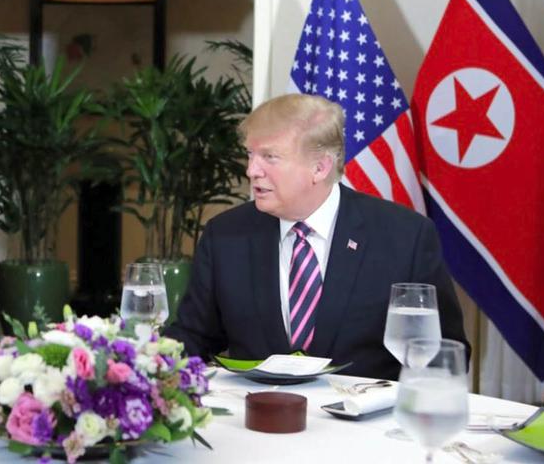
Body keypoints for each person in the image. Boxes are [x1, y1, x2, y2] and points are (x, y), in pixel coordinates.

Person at [165, 94, 469, 380]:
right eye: (250, 154)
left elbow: (444, 352)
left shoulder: (405, 236)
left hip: (366, 431)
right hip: (259, 424)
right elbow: (193, 338)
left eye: (269, 157)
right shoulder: (225, 235)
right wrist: (138, 365)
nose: (251, 170)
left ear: (320, 167)